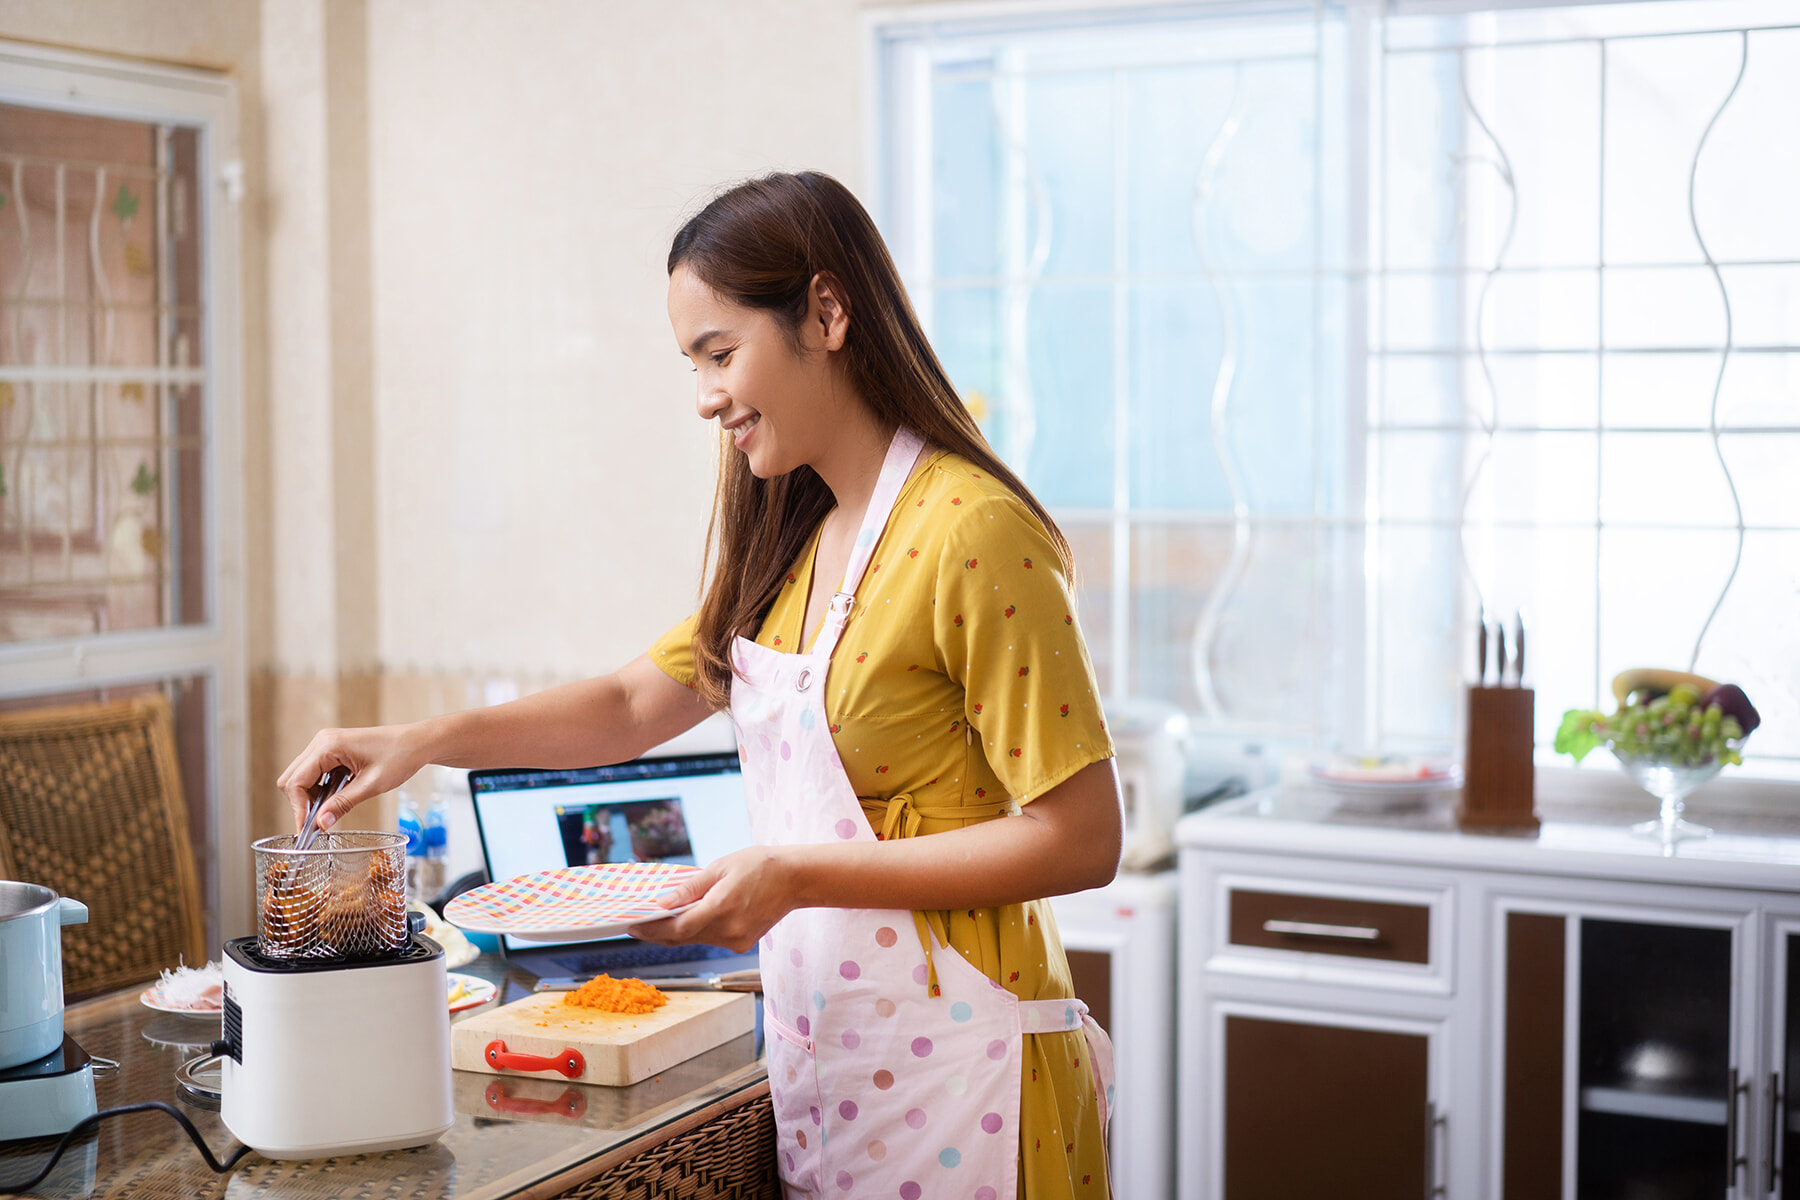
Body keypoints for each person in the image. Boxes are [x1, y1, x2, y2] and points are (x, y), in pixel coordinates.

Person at [278, 170, 1123, 1199]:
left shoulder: (972, 530)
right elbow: (634, 704)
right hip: (844, 1073)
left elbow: (1081, 837)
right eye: (694, 361)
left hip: (974, 1081)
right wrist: (419, 737)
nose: (705, 396)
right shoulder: (797, 542)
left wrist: (796, 875)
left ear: (825, 311)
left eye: (721, 353)